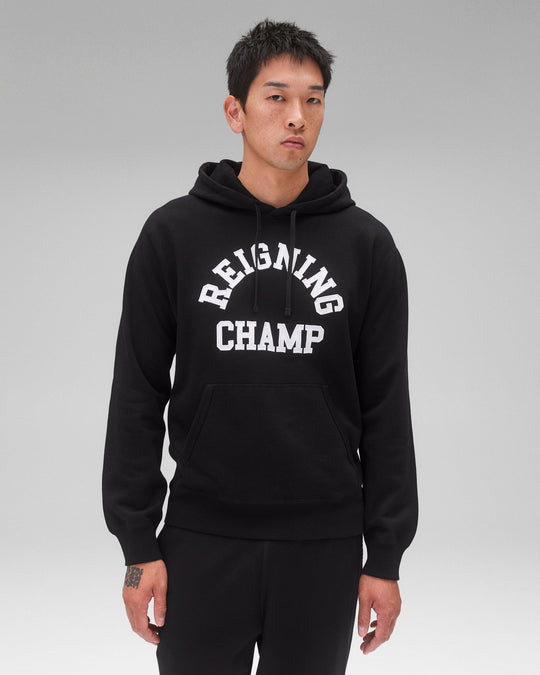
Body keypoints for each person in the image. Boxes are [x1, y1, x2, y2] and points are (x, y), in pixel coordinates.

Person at [102, 17, 419, 675]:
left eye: (313, 99)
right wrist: (137, 547)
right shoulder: (172, 236)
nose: (297, 116)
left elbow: (388, 408)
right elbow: (136, 394)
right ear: (235, 112)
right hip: (201, 538)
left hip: (325, 546)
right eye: (276, 97)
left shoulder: (367, 246)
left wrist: (385, 559)